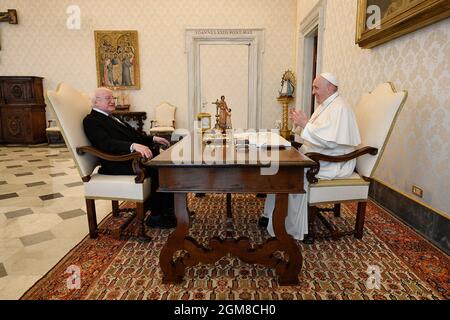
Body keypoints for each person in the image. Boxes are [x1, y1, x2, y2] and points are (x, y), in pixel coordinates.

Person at [260, 73, 361, 240]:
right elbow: (315, 134)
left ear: (330, 88)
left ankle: (288, 226)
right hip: (320, 156)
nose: (313, 92)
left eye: (316, 87)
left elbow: (331, 143)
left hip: (334, 162)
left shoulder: (340, 108)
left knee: (290, 174)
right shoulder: (325, 105)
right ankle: (270, 215)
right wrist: (300, 124)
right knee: (280, 166)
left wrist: (305, 124)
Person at [83, 87, 176, 228]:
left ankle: (170, 210)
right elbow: (106, 144)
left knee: (168, 164)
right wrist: (133, 146)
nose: (112, 101)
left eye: (112, 98)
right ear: (96, 102)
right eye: (108, 98)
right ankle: (156, 216)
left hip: (130, 157)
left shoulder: (112, 117)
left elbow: (134, 135)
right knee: (160, 169)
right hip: (118, 162)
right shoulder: (91, 120)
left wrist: (153, 138)